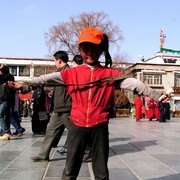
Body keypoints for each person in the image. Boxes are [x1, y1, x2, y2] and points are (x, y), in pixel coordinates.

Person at [8, 27, 170, 179]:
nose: (90, 53)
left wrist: (156, 95)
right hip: (77, 128)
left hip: (99, 129)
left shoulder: (110, 74)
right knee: (70, 171)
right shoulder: (71, 73)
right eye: (86, 49)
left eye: (94, 48)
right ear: (80, 50)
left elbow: (135, 84)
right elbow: (46, 79)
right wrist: (25, 85)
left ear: (101, 50)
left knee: (101, 173)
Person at [0, 65, 15, 140]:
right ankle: (6, 132)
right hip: (10, 99)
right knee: (7, 116)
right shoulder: (11, 77)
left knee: (1, 115)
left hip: (4, 99)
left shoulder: (4, 77)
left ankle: (6, 132)